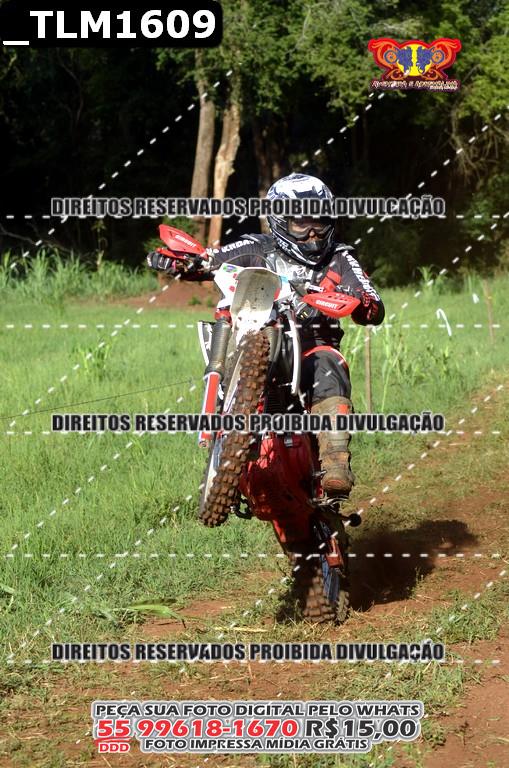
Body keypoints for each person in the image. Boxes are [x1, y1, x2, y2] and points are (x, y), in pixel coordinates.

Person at [147, 173, 385, 498]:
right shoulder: (257, 247)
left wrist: (363, 299)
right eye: (301, 223)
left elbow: (370, 300)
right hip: (255, 336)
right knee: (229, 330)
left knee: (329, 363)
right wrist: (182, 263)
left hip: (312, 350)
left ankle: (336, 463)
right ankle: (228, 434)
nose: (313, 232)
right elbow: (212, 260)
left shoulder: (340, 258)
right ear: (280, 222)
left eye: (320, 222)